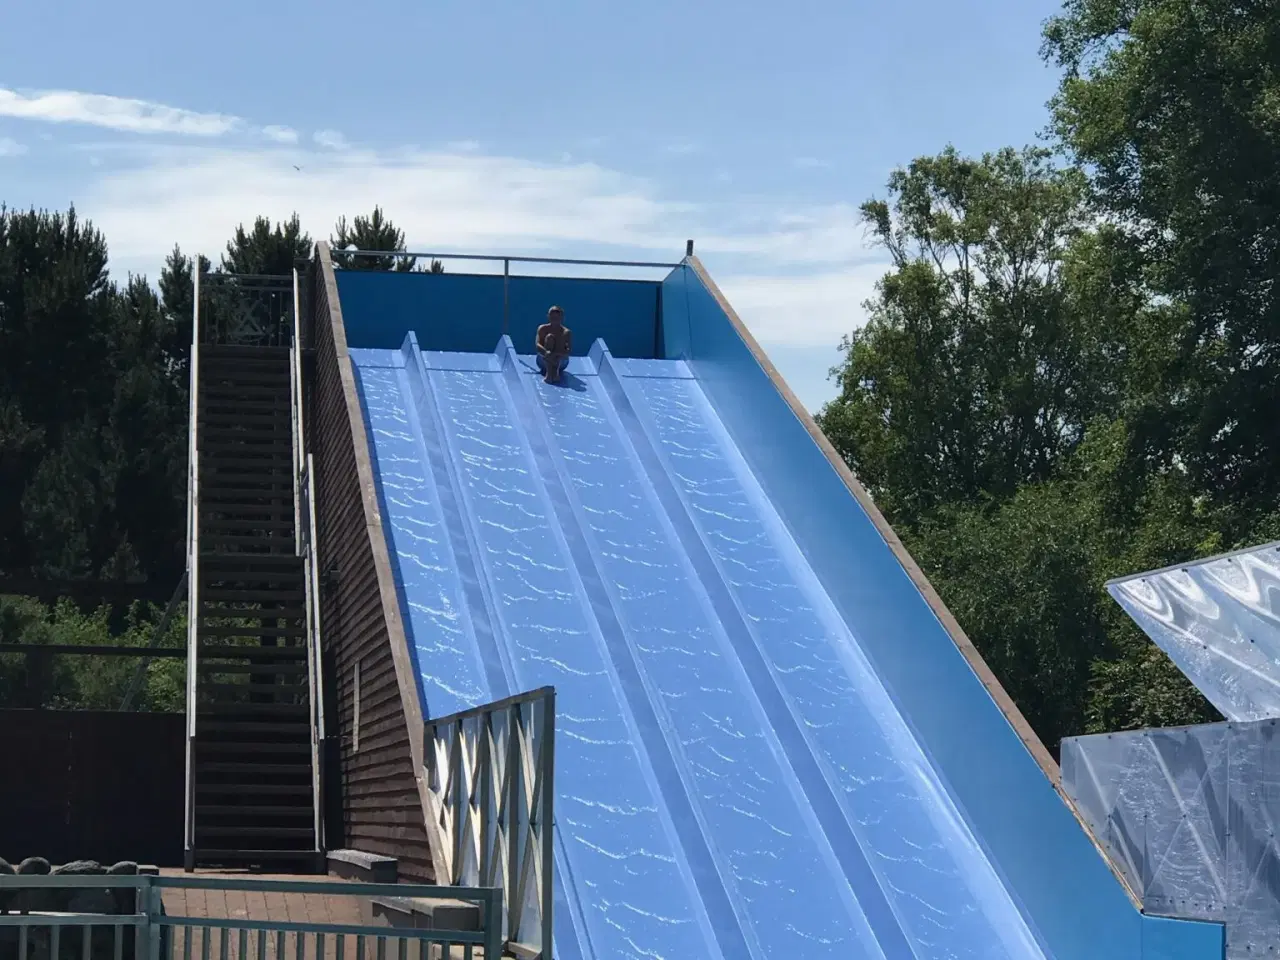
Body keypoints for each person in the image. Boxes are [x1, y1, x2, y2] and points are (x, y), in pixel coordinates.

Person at [535, 305, 573, 384]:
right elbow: (537, 345)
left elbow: (568, 351)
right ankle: (549, 373)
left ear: (561, 318)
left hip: (561, 363)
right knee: (549, 338)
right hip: (543, 361)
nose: (554, 320)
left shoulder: (566, 332)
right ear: (548, 317)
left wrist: (556, 354)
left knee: (561, 339)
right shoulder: (542, 328)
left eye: (557, 318)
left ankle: (555, 372)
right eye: (552, 318)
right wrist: (546, 352)